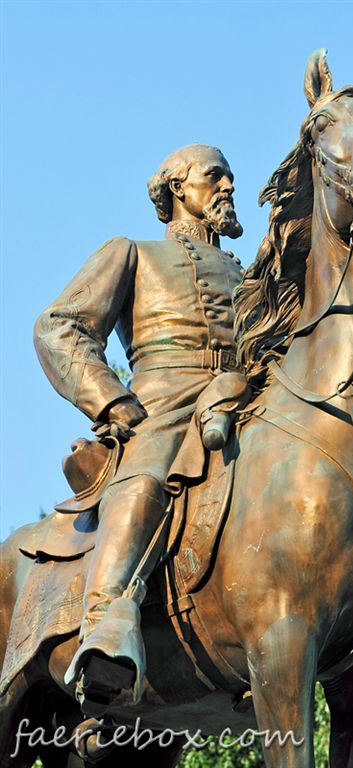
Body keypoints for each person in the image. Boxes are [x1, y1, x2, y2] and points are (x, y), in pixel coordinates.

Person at [34, 144, 244, 710]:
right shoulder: (134, 254)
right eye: (214, 176)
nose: (228, 186)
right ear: (178, 189)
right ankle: (108, 622)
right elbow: (59, 327)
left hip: (246, 395)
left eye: (230, 176)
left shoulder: (252, 276)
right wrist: (112, 401)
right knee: (148, 476)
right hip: (164, 399)